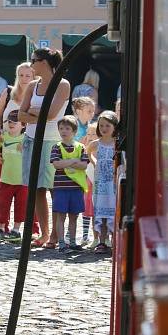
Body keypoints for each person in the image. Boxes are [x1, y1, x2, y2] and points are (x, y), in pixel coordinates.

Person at [19, 48, 70, 248]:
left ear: (46, 62)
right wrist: (36, 113)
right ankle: (45, 233)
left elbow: (52, 114)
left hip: (52, 142)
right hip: (32, 140)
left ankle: (58, 235)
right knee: (36, 189)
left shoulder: (62, 84)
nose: (31, 64)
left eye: (34, 60)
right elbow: (20, 115)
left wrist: (33, 113)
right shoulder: (33, 85)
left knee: (54, 189)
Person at [0, 62, 35, 235]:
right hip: (5, 144)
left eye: (28, 76)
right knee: (3, 188)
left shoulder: (36, 95)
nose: (24, 79)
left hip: (26, 146)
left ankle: (30, 226)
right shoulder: (9, 92)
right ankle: (1, 224)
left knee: (27, 189)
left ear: (34, 77)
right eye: (22, 75)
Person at [49, 116, 88, 250]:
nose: (63, 131)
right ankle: (61, 242)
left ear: (74, 131)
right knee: (61, 215)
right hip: (61, 188)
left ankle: (72, 242)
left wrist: (69, 163)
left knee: (74, 216)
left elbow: (83, 165)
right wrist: (73, 161)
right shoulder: (56, 147)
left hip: (76, 188)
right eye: (61, 128)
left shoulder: (81, 147)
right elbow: (56, 164)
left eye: (67, 128)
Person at [0, 110, 27, 240]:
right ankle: (0, 227)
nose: (11, 123)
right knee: (3, 204)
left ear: (23, 125)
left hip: (22, 180)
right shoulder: (3, 136)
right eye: (9, 121)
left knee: (21, 205)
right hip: (6, 178)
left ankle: (16, 229)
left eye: (15, 121)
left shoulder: (26, 139)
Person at [86, 110, 118, 254]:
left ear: (114, 127)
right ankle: (102, 241)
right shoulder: (96, 144)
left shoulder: (116, 143)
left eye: (107, 126)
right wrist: (94, 162)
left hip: (112, 184)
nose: (104, 129)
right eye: (102, 126)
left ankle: (114, 240)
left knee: (113, 211)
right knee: (101, 213)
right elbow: (88, 152)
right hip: (101, 184)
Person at [72, 97, 98, 246]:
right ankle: (75, 233)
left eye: (93, 111)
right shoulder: (74, 126)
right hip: (76, 169)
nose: (92, 113)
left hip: (88, 170)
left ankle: (86, 234)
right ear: (79, 111)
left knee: (89, 203)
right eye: (89, 111)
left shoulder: (91, 127)